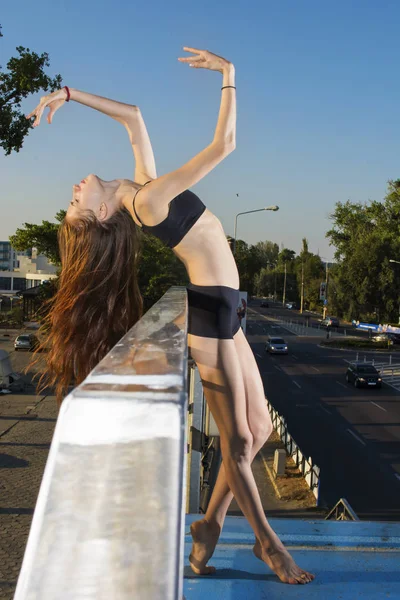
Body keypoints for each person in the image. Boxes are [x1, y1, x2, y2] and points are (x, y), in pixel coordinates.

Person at [26, 47, 314, 585]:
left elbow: (133, 115)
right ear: (105, 212)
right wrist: (230, 76)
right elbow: (225, 145)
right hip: (210, 314)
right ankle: (268, 547)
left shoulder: (139, 189)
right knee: (238, 443)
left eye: (72, 200)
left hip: (228, 306)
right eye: (77, 204)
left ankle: (208, 525)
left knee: (256, 431)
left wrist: (67, 94)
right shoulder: (152, 200)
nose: (74, 192)